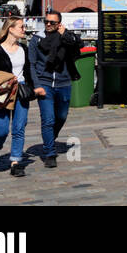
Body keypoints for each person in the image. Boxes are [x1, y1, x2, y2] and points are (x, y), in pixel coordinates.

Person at [0, 16, 44, 176]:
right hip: (3, 93)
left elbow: (30, 70)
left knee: (19, 128)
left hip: (21, 91)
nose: (24, 30)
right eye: (21, 27)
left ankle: (16, 162)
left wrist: (34, 87)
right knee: (1, 130)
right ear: (10, 29)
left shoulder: (23, 48)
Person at [29, 10, 80, 168]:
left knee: (62, 116)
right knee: (48, 119)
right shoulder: (37, 39)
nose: (48, 24)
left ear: (59, 24)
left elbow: (78, 46)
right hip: (44, 84)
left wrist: (66, 35)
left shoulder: (65, 38)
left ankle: (50, 137)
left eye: (52, 22)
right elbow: (31, 64)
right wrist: (36, 85)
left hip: (64, 83)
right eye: (46, 22)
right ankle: (50, 153)